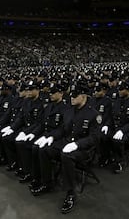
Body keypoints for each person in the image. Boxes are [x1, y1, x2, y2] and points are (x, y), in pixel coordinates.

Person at [31, 82, 101, 214]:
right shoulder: (69, 111)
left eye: (75, 95)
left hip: (83, 149)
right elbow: (63, 129)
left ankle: (70, 193)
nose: (72, 98)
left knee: (66, 155)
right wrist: (50, 137)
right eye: (71, 95)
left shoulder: (93, 114)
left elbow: (95, 138)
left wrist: (77, 144)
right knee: (44, 149)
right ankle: (47, 183)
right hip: (66, 142)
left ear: (84, 96)